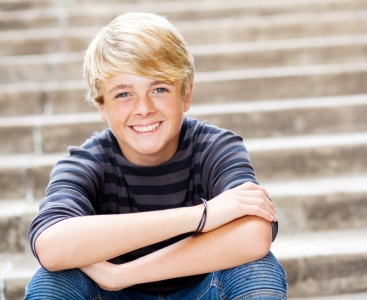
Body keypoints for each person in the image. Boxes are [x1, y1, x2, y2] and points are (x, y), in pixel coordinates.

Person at [25, 12, 287, 300]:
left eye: (159, 89)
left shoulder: (214, 146)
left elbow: (255, 234)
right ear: (102, 105)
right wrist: (203, 216)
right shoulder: (86, 162)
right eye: (123, 94)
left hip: (203, 291)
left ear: (186, 94)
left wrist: (120, 275)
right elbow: (50, 245)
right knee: (52, 281)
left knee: (258, 268)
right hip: (110, 297)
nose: (144, 108)